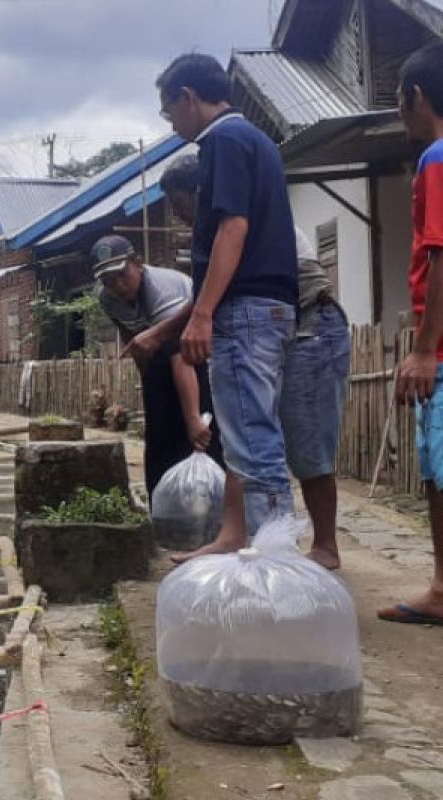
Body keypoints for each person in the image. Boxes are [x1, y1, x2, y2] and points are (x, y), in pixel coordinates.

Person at [128, 54, 299, 548]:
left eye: (169, 113)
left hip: (244, 309)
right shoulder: (257, 140)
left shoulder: (221, 140)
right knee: (251, 433)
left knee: (252, 439)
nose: (173, 124)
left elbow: (233, 226)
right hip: (270, 307)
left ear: (187, 97)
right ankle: (251, 543)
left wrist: (201, 314)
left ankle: (276, 561)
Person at [159, 155, 351, 569]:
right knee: (245, 432)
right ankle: (234, 536)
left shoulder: (242, 223)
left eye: (180, 205)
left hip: (311, 329)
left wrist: (163, 331)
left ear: (201, 193)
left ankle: (325, 546)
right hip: (277, 331)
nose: (178, 216)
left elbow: (211, 294)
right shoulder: (217, 232)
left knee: (306, 444)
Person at [379, 42, 443, 625]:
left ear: (416, 96)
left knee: (442, 469)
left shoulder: (438, 158)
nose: (399, 112)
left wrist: (425, 351)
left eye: (399, 100)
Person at [89, 234, 222, 500]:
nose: (117, 285)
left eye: (121, 275)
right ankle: (164, 510)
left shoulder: (163, 289)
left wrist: (194, 418)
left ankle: (209, 514)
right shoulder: (107, 298)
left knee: (198, 438)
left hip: (197, 357)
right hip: (162, 361)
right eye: (108, 280)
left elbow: (180, 355)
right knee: (160, 445)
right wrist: (149, 388)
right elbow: (135, 344)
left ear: (137, 263)